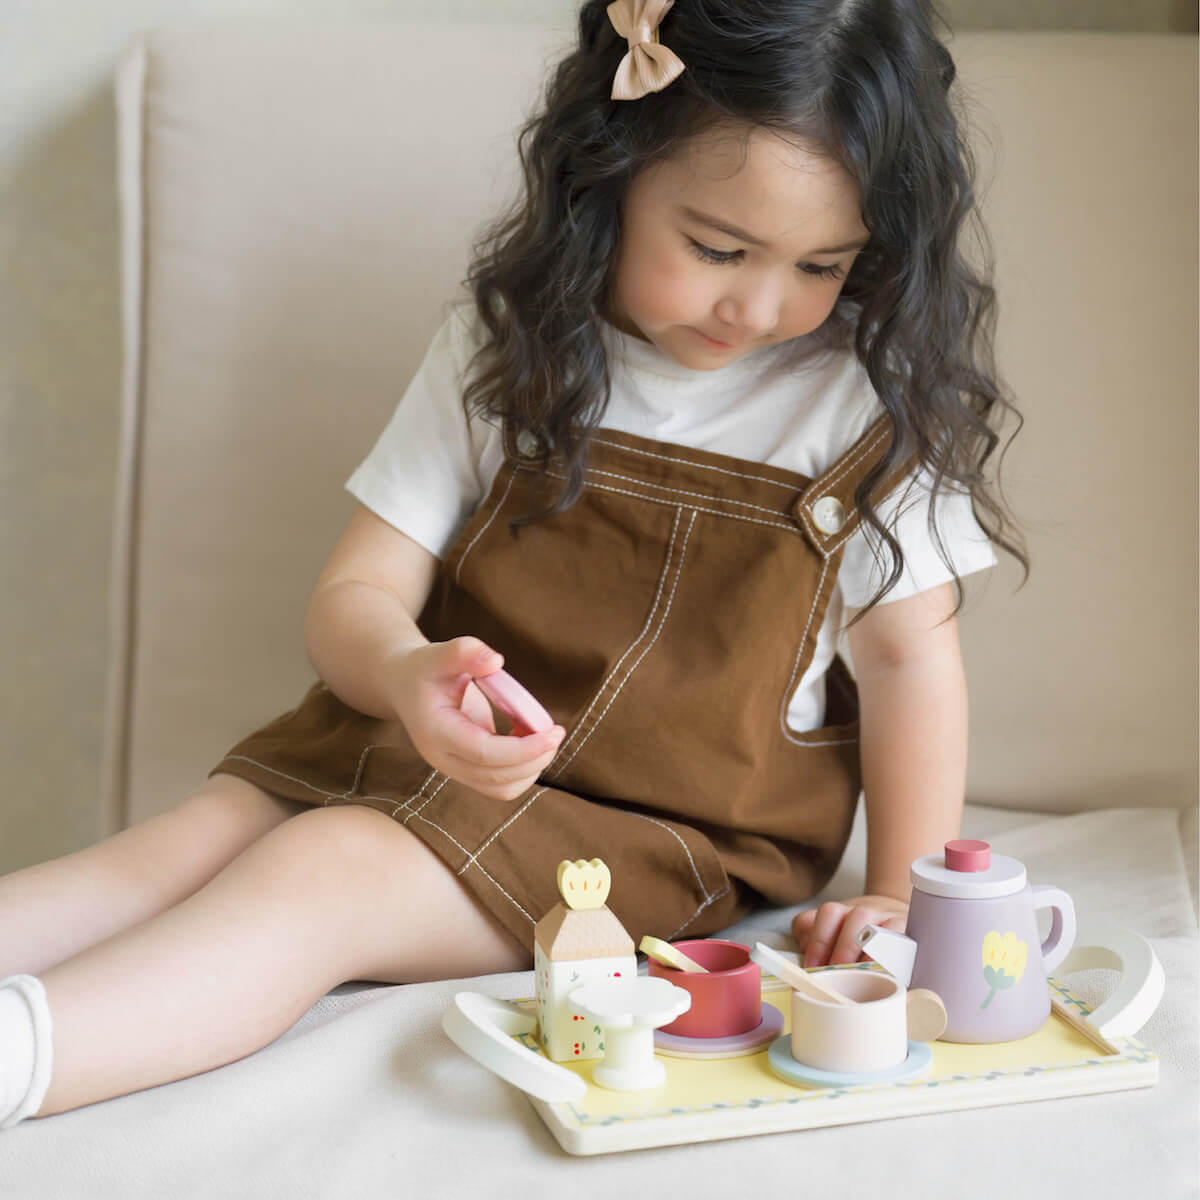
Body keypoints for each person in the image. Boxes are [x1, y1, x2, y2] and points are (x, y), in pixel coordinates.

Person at [0, 0, 1026, 1126]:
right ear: (612, 168)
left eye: (824, 265)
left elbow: (907, 663)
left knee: (330, 870)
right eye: (718, 249)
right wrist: (403, 674)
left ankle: (24, 1062)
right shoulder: (513, 351)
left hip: (657, 829)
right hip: (412, 749)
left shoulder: (858, 411)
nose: (761, 305)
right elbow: (357, 595)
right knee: (189, 841)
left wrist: (899, 888)